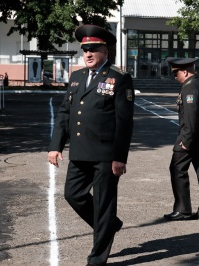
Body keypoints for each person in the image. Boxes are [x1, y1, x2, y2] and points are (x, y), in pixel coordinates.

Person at [48, 24, 134, 266]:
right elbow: (65, 113)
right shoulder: (76, 78)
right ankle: (110, 225)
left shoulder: (119, 79)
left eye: (93, 49)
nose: (87, 53)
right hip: (80, 151)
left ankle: (97, 257)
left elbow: (124, 122)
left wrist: (120, 157)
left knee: (104, 204)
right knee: (73, 195)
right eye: (85, 49)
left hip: (106, 155)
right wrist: (55, 146)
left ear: (105, 51)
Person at [163, 57, 199, 221]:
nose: (175, 77)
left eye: (176, 73)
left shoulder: (190, 88)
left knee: (177, 169)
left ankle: (183, 209)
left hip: (190, 138)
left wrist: (186, 140)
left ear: (184, 71)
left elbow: (191, 118)